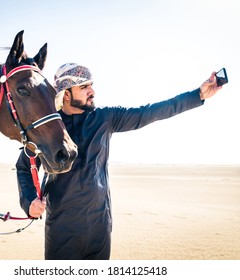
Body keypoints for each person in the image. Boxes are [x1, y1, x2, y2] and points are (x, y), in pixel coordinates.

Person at [16, 63, 222, 260]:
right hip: (61, 229)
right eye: (84, 86)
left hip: (100, 227)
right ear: (66, 94)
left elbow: (152, 112)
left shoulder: (105, 118)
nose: (92, 92)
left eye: (92, 86)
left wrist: (198, 95)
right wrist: (29, 201)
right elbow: (24, 167)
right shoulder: (47, 127)